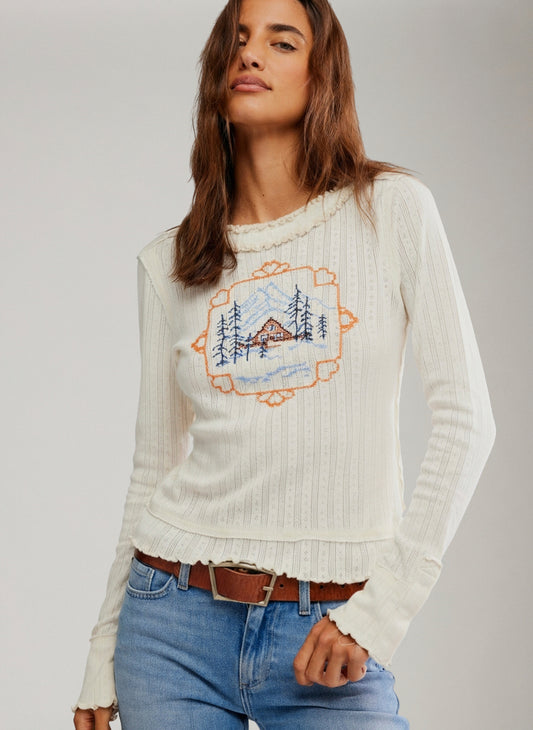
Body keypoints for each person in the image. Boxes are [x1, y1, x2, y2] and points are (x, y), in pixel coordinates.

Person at [73, 0, 496, 727]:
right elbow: (152, 466)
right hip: (171, 626)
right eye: (237, 39)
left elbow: (466, 423)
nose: (250, 54)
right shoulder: (173, 262)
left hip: (329, 631)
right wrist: (101, 649)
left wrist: (380, 614)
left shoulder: (391, 211)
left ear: (321, 72)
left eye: (281, 41)